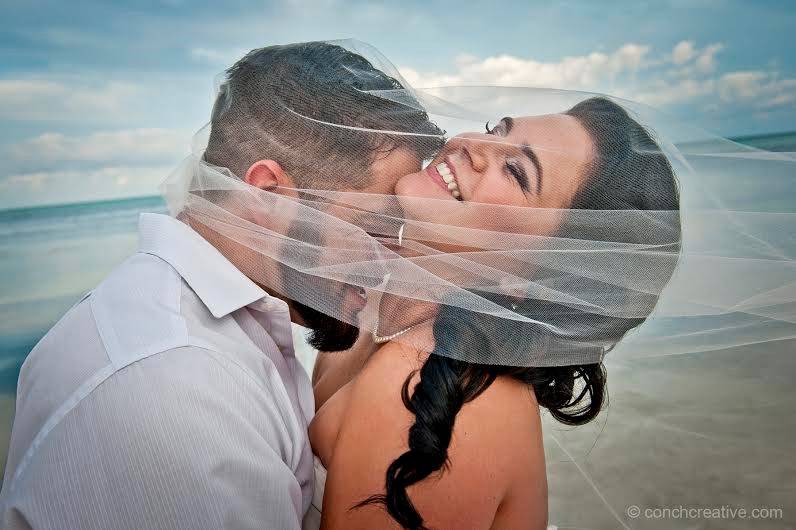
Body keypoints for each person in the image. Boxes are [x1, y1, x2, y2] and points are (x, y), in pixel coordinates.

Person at [0, 41, 442, 530]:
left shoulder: (221, 329)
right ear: (268, 195)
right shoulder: (175, 390)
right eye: (377, 226)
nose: (391, 260)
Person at [309, 97, 682, 530]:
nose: (472, 145)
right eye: (496, 129)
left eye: (517, 172)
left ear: (539, 275)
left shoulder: (437, 398)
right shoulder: (367, 310)